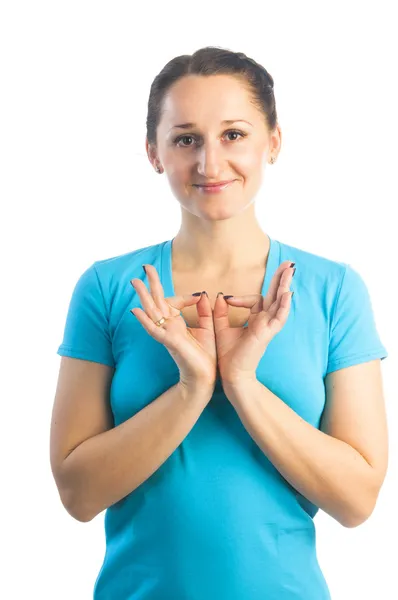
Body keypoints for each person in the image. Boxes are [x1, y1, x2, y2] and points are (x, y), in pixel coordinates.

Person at [50, 46, 389, 599]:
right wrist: (192, 388)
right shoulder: (109, 289)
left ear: (273, 142)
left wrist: (243, 384)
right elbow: (78, 495)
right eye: (186, 138)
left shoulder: (333, 291)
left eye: (234, 134)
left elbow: (356, 502)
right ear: (153, 153)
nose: (209, 163)